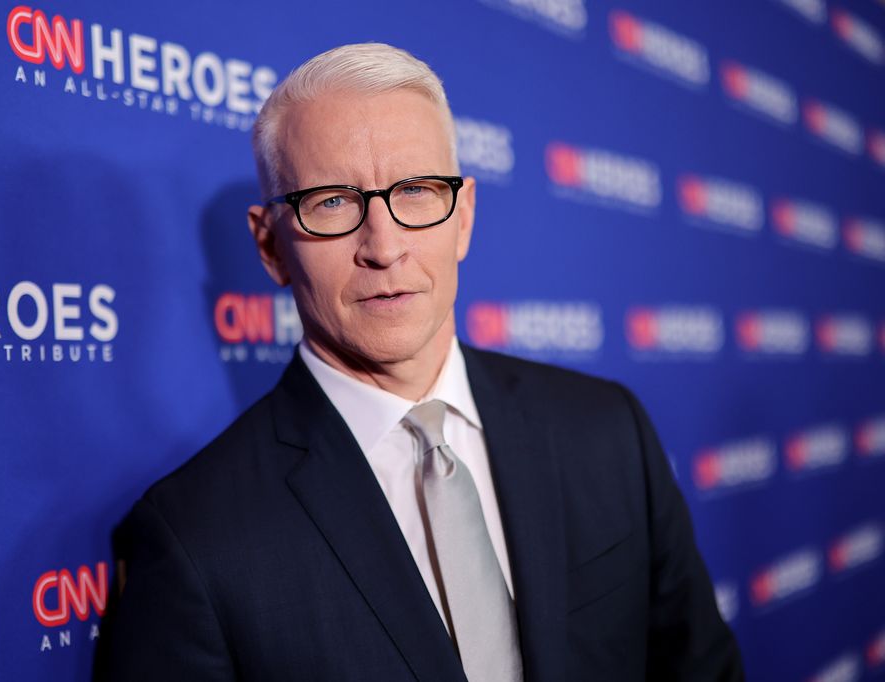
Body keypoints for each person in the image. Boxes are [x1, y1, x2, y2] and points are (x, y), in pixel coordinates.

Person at [104, 42, 746, 681]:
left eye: (414, 191)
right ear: (270, 245)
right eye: (331, 202)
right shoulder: (193, 537)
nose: (384, 248)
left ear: (463, 217)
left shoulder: (608, 431)